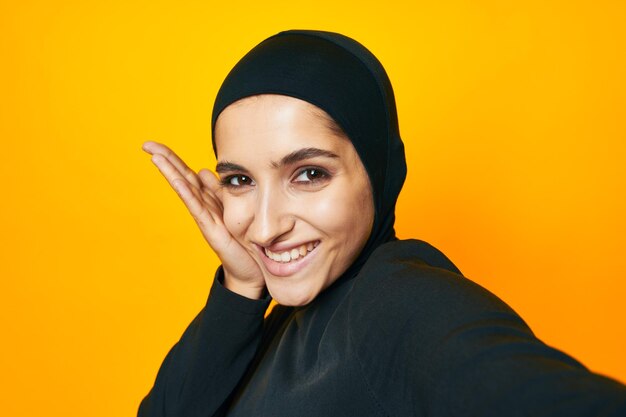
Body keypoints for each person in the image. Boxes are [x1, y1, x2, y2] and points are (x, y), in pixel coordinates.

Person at [138, 30, 626, 416]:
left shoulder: (397, 304)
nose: (264, 228)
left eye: (309, 174)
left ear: (377, 171)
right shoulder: (288, 312)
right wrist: (240, 287)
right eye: (240, 180)